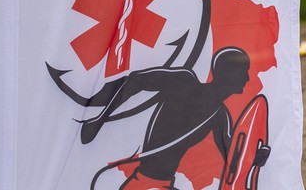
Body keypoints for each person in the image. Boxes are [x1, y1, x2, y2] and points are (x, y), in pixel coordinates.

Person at [80, 47, 270, 189]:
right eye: (243, 71)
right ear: (227, 73)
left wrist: (256, 158)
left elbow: (233, 159)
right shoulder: (183, 81)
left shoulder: (219, 116)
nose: (247, 78)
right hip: (144, 184)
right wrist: (99, 121)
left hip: (163, 184)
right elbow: (135, 81)